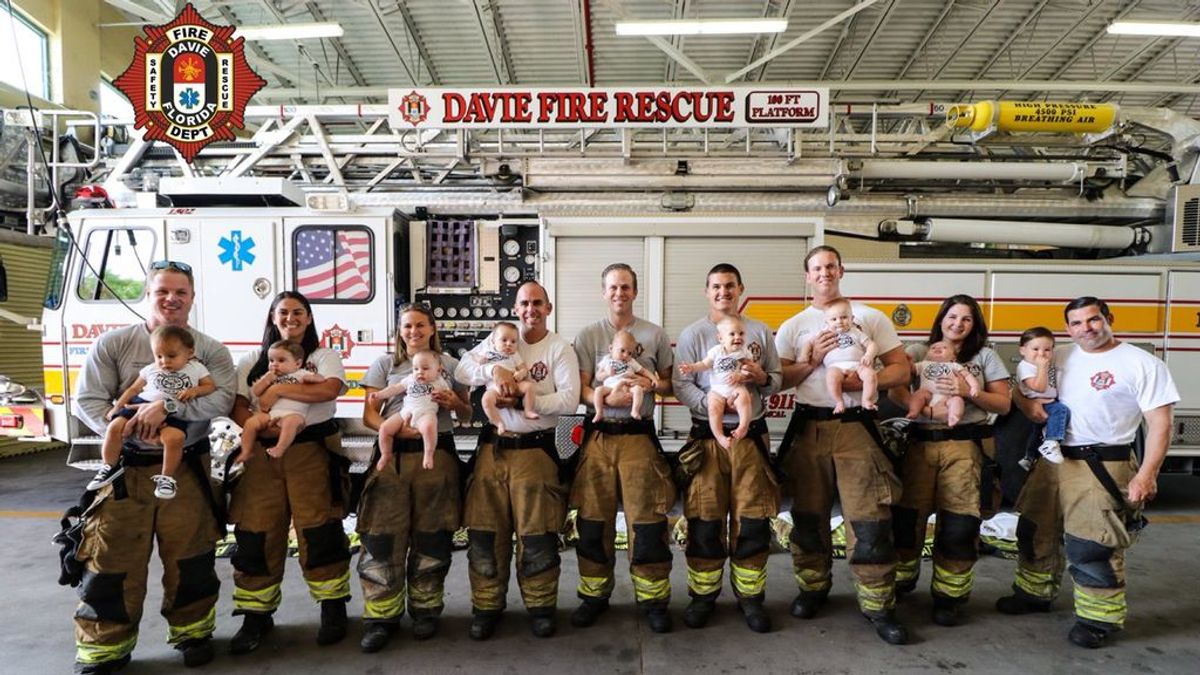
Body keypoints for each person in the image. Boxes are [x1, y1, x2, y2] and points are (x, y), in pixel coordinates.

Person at [71, 260, 235, 673]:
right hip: (125, 473)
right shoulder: (113, 345)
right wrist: (128, 429)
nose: (172, 299)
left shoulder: (210, 350)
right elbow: (89, 400)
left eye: (181, 292)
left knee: (192, 557)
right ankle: (104, 649)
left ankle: (193, 633)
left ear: (192, 298)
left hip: (183, 470)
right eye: (163, 290)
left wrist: (169, 407)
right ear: (148, 294)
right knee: (111, 562)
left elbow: (221, 400)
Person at [998, 297, 1178, 649]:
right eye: (1077, 323)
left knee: (1092, 544)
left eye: (1093, 320)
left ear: (1108, 319)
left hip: (1103, 463)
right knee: (1035, 530)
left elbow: (1161, 423)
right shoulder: (1058, 355)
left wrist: (1147, 473)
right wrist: (1028, 405)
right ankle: (1034, 593)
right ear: (1068, 328)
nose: (1086, 328)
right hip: (1051, 460)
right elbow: (1020, 389)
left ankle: (1099, 619)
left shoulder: (1141, 364)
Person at [774, 246, 910, 645]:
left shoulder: (870, 317)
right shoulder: (794, 326)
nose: (824, 273)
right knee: (808, 516)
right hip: (810, 429)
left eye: (830, 266)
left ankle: (878, 604)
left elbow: (902, 368)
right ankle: (812, 589)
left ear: (841, 269)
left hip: (857, 428)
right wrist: (810, 360)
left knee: (869, 519)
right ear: (807, 275)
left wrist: (864, 383)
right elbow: (779, 381)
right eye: (816, 268)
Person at [227, 291, 352, 654]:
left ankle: (332, 609)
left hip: (312, 451)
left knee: (321, 529)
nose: (291, 318)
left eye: (299, 312)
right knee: (256, 532)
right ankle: (256, 616)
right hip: (263, 455)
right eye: (283, 312)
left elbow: (329, 390)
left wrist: (281, 387)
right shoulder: (254, 359)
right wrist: (255, 424)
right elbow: (237, 403)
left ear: (309, 318)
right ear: (272, 317)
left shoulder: (322, 357)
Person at [455, 281, 581, 640]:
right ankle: (486, 607)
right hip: (492, 452)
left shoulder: (558, 348)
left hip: (535, 451)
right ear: (516, 307)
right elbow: (464, 370)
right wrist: (493, 372)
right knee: (484, 533)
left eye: (537, 303)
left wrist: (527, 403)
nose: (530, 309)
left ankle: (540, 608)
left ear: (548, 308)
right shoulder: (502, 337)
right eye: (524, 303)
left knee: (537, 534)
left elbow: (569, 401)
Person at [357, 303, 473, 652]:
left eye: (420, 325)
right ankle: (381, 617)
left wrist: (454, 401)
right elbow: (368, 415)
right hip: (390, 463)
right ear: (400, 330)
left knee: (432, 537)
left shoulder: (451, 365)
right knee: (381, 539)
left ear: (433, 327)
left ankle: (425, 611)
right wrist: (396, 432)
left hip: (435, 459)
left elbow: (467, 414)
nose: (413, 332)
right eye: (407, 326)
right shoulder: (384, 365)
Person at [672, 263, 781, 633]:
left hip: (751, 439)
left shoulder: (761, 332)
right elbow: (681, 385)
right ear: (707, 291)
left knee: (753, 519)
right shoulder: (692, 334)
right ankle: (703, 597)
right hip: (707, 438)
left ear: (740, 289)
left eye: (730, 286)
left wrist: (760, 378)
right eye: (716, 287)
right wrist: (715, 406)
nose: (723, 292)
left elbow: (776, 379)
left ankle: (750, 599)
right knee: (705, 519)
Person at [891, 294, 1011, 627]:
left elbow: (1003, 405)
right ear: (941, 318)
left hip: (966, 448)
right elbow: (895, 390)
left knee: (959, 525)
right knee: (905, 521)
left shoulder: (985, 357)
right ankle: (901, 584)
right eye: (952, 316)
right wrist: (925, 409)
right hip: (920, 446)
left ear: (975, 325)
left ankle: (949, 597)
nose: (957, 324)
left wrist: (968, 390)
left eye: (966, 319)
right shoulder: (918, 351)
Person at [570, 264, 676, 633]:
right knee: (592, 521)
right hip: (598, 437)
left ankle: (653, 599)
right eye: (613, 287)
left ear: (635, 291)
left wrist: (647, 387)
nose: (620, 293)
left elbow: (668, 386)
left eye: (626, 287)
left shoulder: (654, 334)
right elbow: (581, 388)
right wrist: (605, 397)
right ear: (604, 292)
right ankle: (594, 596)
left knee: (647, 522)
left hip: (638, 437)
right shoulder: (587, 336)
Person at [88, 325, 217, 500]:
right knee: (115, 427)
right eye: (159, 356)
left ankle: (167, 478)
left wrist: (195, 391)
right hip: (140, 403)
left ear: (190, 352)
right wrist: (117, 408)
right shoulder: (150, 369)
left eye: (171, 356)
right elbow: (133, 389)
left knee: (175, 438)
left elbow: (210, 386)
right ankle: (108, 467)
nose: (164, 362)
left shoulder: (196, 368)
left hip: (172, 410)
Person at [235, 340, 326, 463]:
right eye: (271, 360)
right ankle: (246, 450)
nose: (274, 364)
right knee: (251, 422)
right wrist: (266, 380)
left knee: (292, 422)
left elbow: (321, 380)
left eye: (281, 360)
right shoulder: (270, 377)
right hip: (272, 413)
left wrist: (313, 378)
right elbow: (256, 392)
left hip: (294, 413)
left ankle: (280, 447)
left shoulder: (301, 374)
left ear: (298, 363)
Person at [677, 315, 755, 449]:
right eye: (732, 334)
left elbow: (749, 371)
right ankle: (720, 436)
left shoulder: (744, 353)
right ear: (720, 338)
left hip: (735, 387)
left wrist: (740, 376)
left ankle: (743, 426)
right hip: (717, 390)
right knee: (713, 408)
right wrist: (691, 368)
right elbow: (704, 364)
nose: (738, 337)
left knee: (744, 398)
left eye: (741, 333)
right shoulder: (716, 351)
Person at [369, 349, 452, 471]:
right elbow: (395, 388)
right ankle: (386, 454)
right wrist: (379, 395)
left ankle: (428, 454)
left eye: (425, 368)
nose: (420, 373)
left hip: (426, 413)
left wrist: (444, 396)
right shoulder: (410, 379)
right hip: (405, 412)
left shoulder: (439, 382)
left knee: (429, 428)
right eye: (416, 369)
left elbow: (449, 396)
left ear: (438, 370)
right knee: (385, 428)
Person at [800, 298, 879, 413]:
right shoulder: (825, 332)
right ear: (827, 322)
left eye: (844, 317)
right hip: (835, 366)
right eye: (834, 319)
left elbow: (872, 345)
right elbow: (808, 343)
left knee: (871, 375)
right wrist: (804, 355)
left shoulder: (856, 332)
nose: (839, 322)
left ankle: (867, 400)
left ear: (852, 319)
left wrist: (868, 355)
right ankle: (839, 402)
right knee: (831, 378)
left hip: (857, 365)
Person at [1015, 327, 1067, 467]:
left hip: (1046, 400)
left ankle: (1029, 457)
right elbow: (1039, 387)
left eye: (1047, 350)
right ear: (1022, 351)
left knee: (1037, 431)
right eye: (1035, 349)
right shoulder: (1025, 366)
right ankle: (1051, 442)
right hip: (1040, 402)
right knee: (1061, 410)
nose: (1041, 354)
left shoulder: (1044, 364)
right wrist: (1042, 368)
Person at [474, 321, 539, 434]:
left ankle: (528, 410)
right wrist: (481, 361)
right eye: (504, 340)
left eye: (513, 341)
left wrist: (521, 374)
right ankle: (498, 423)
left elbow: (524, 368)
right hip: (494, 389)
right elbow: (475, 367)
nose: (508, 344)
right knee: (486, 400)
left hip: (514, 384)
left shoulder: (514, 355)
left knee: (529, 387)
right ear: (493, 341)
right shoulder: (488, 353)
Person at [905, 340, 981, 427]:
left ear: (953, 357)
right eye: (933, 348)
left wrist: (974, 387)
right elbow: (911, 369)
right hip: (927, 394)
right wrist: (909, 363)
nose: (937, 348)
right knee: (917, 395)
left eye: (944, 347)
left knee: (958, 400)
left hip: (949, 396)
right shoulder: (923, 364)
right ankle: (914, 411)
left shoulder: (954, 365)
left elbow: (968, 376)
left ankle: (954, 416)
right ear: (927, 355)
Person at [589, 329, 658, 423]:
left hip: (628, 386)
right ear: (611, 348)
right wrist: (607, 373)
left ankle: (635, 410)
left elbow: (643, 371)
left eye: (629, 353)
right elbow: (598, 376)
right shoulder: (607, 360)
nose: (626, 355)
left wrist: (653, 378)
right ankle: (599, 412)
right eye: (622, 350)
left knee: (638, 389)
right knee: (598, 390)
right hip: (610, 388)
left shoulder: (631, 362)